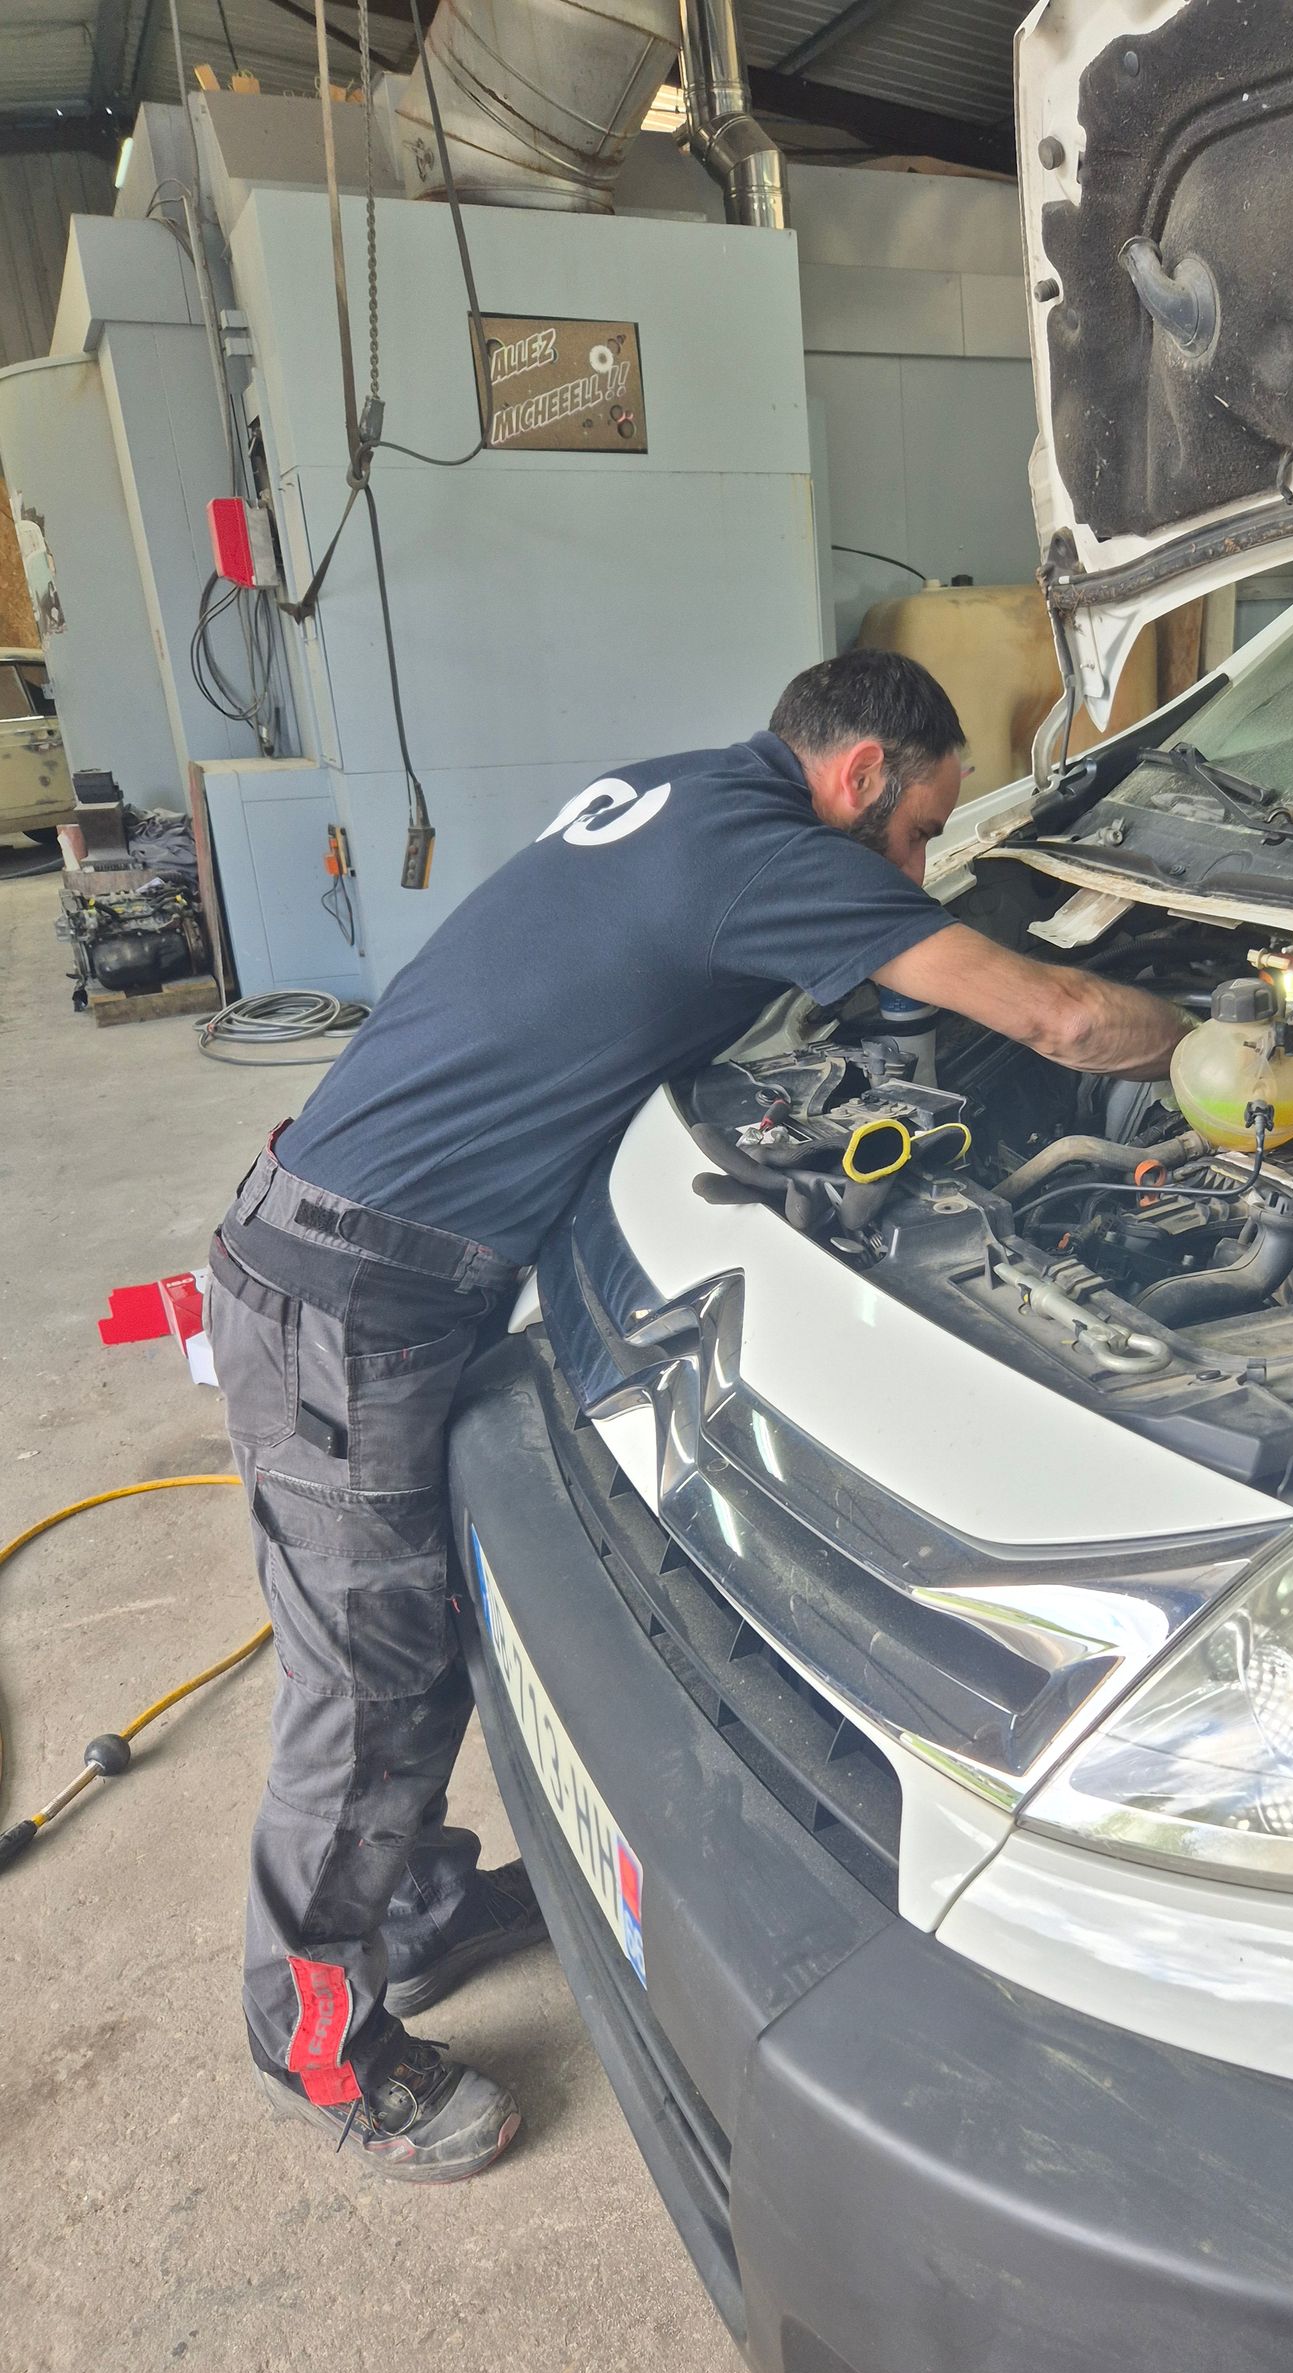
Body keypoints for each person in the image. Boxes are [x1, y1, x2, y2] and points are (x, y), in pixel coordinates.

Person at [207, 649, 1188, 2182]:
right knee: (368, 1694)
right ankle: (316, 2044)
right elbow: (1057, 1018)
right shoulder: (769, 854)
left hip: (352, 1258)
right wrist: (1231, 1055)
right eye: (926, 828)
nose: (925, 865)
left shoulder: (679, 789)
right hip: (350, 1309)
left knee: (403, 1645)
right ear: (863, 779)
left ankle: (414, 1911)